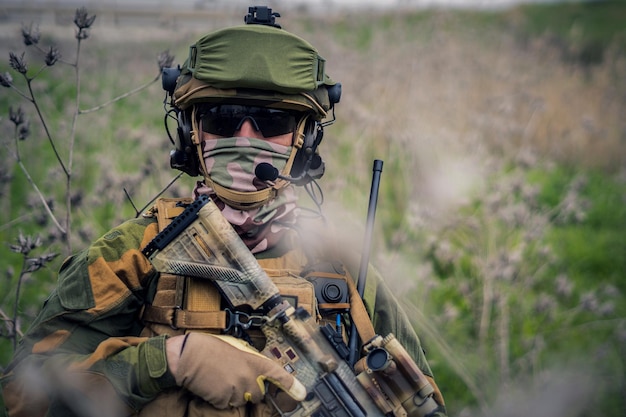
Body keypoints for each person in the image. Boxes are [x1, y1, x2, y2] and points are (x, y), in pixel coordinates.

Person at [1, 6, 447, 417]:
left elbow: (424, 400)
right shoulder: (135, 254)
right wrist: (170, 360)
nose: (245, 138)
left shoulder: (344, 267)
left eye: (272, 122)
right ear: (192, 134)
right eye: (222, 119)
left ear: (303, 140)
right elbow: (24, 394)